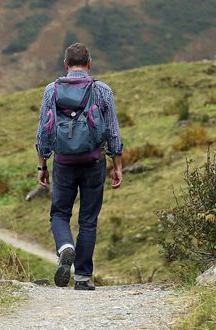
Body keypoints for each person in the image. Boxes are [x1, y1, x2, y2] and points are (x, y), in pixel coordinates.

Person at [36, 43, 123, 290]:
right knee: (88, 220)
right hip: (94, 161)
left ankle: (65, 247)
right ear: (90, 63)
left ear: (65, 65)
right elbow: (113, 131)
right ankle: (83, 278)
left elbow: (43, 130)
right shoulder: (102, 90)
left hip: (63, 162)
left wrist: (42, 165)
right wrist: (117, 164)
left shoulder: (51, 90)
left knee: (60, 213)